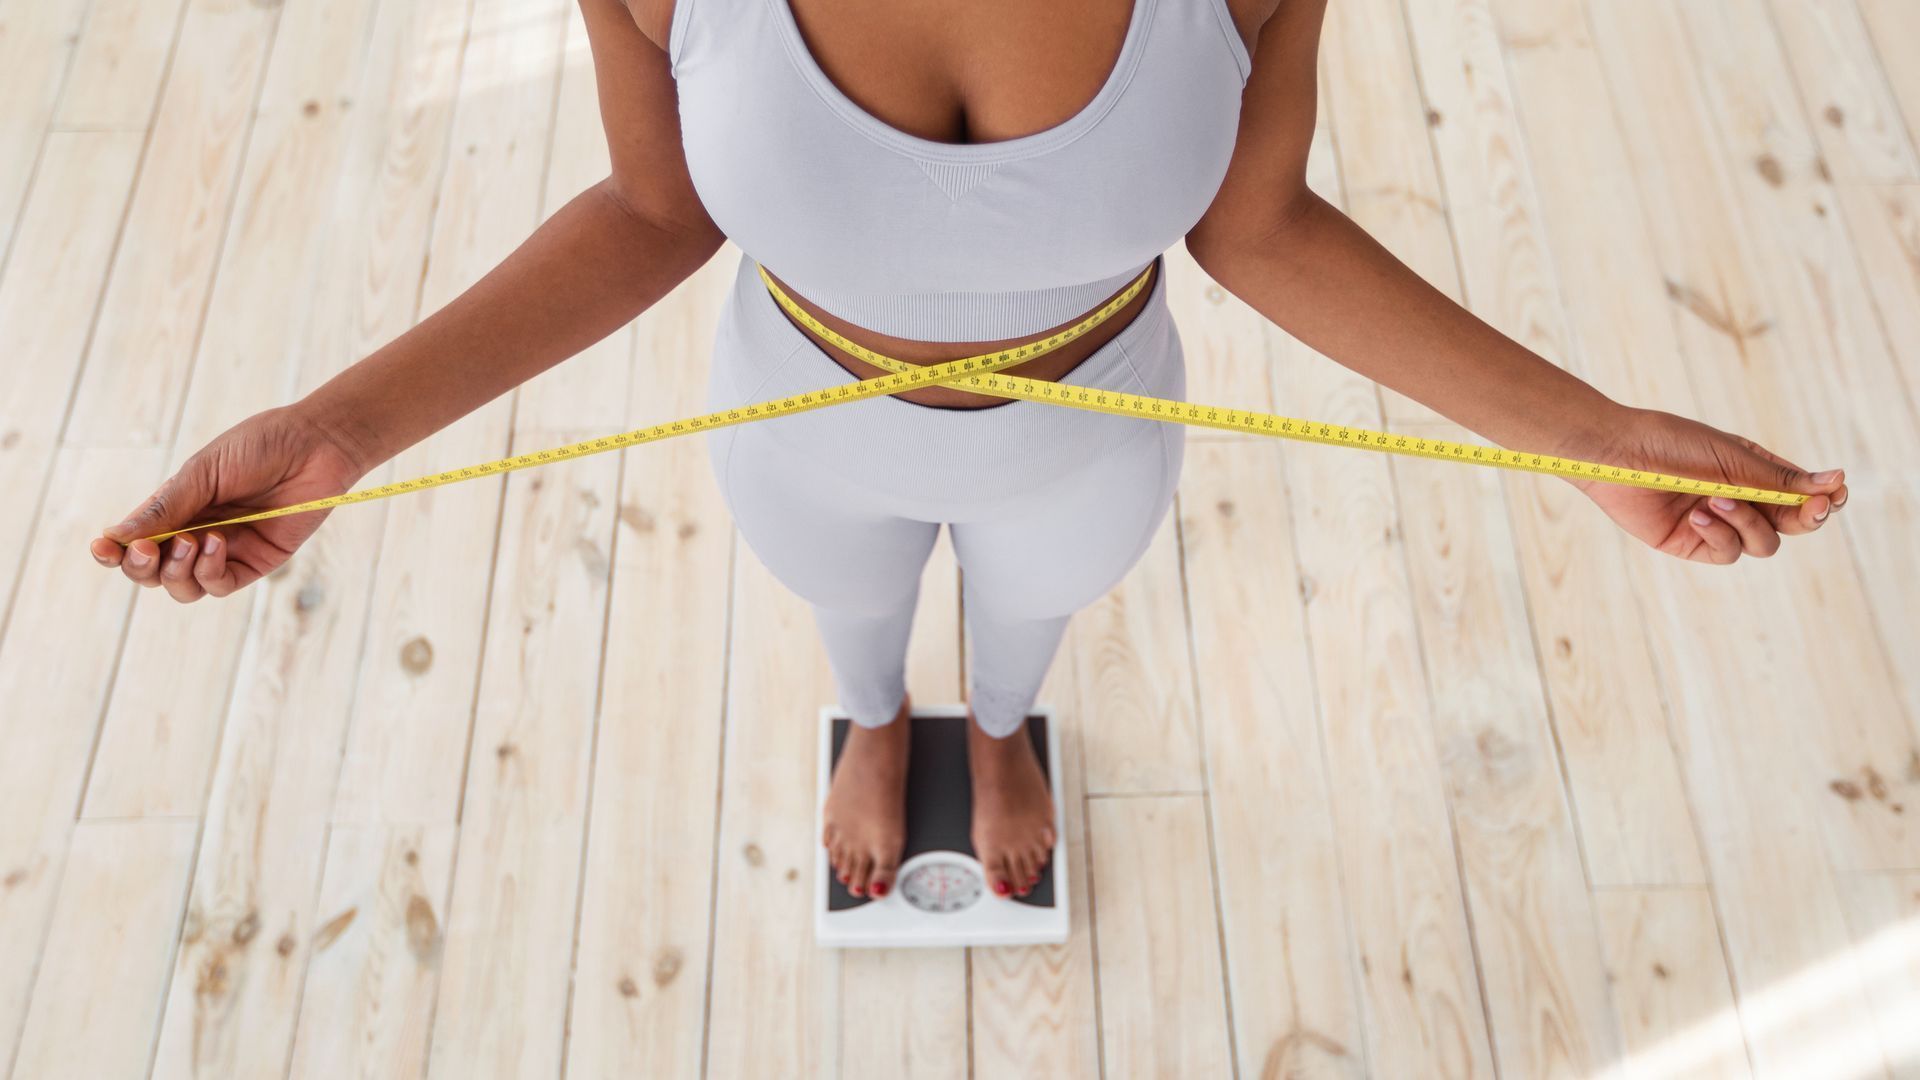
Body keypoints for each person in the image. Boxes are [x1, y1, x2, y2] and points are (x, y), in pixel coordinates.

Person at [89, 0, 1848, 905]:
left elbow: (1264, 229)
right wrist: (334, 435)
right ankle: (875, 726)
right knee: (853, 633)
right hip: (804, 417)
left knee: (1025, 641)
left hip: (1093, 432)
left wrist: (1589, 438)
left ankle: (995, 739)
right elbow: (652, 203)